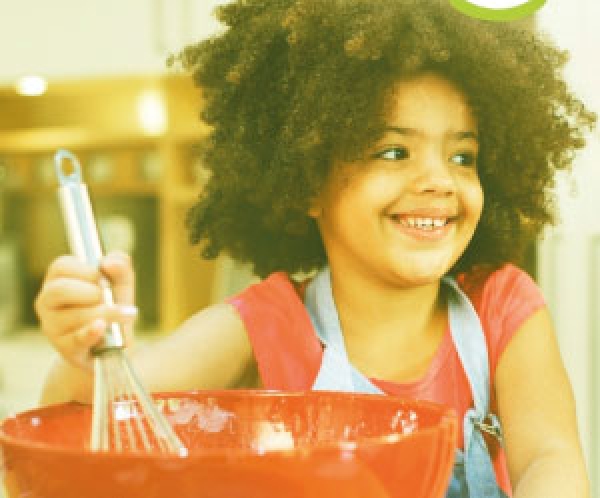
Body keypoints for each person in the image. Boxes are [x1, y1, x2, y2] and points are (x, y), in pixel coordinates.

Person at [35, 0, 596, 497]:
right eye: (394, 152)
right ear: (306, 182)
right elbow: (98, 410)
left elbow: (551, 457)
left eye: (462, 156)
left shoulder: (502, 307)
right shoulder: (264, 324)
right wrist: (89, 355)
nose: (439, 181)